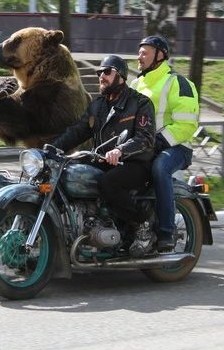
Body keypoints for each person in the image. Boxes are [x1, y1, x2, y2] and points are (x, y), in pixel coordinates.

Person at [51, 55, 157, 256]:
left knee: (109, 182)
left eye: (107, 72)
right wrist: (50, 148)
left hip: (135, 163)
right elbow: (78, 131)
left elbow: (145, 138)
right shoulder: (97, 105)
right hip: (103, 160)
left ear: (121, 77)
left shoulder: (140, 103)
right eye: (99, 72)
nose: (102, 76)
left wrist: (121, 150)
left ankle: (142, 226)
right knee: (68, 173)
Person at [131, 35, 200, 252]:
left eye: (145, 52)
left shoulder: (178, 82)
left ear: (160, 56)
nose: (139, 56)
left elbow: (187, 124)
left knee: (160, 168)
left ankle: (166, 232)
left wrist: (160, 141)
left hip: (176, 147)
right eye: (139, 52)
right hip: (144, 146)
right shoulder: (135, 84)